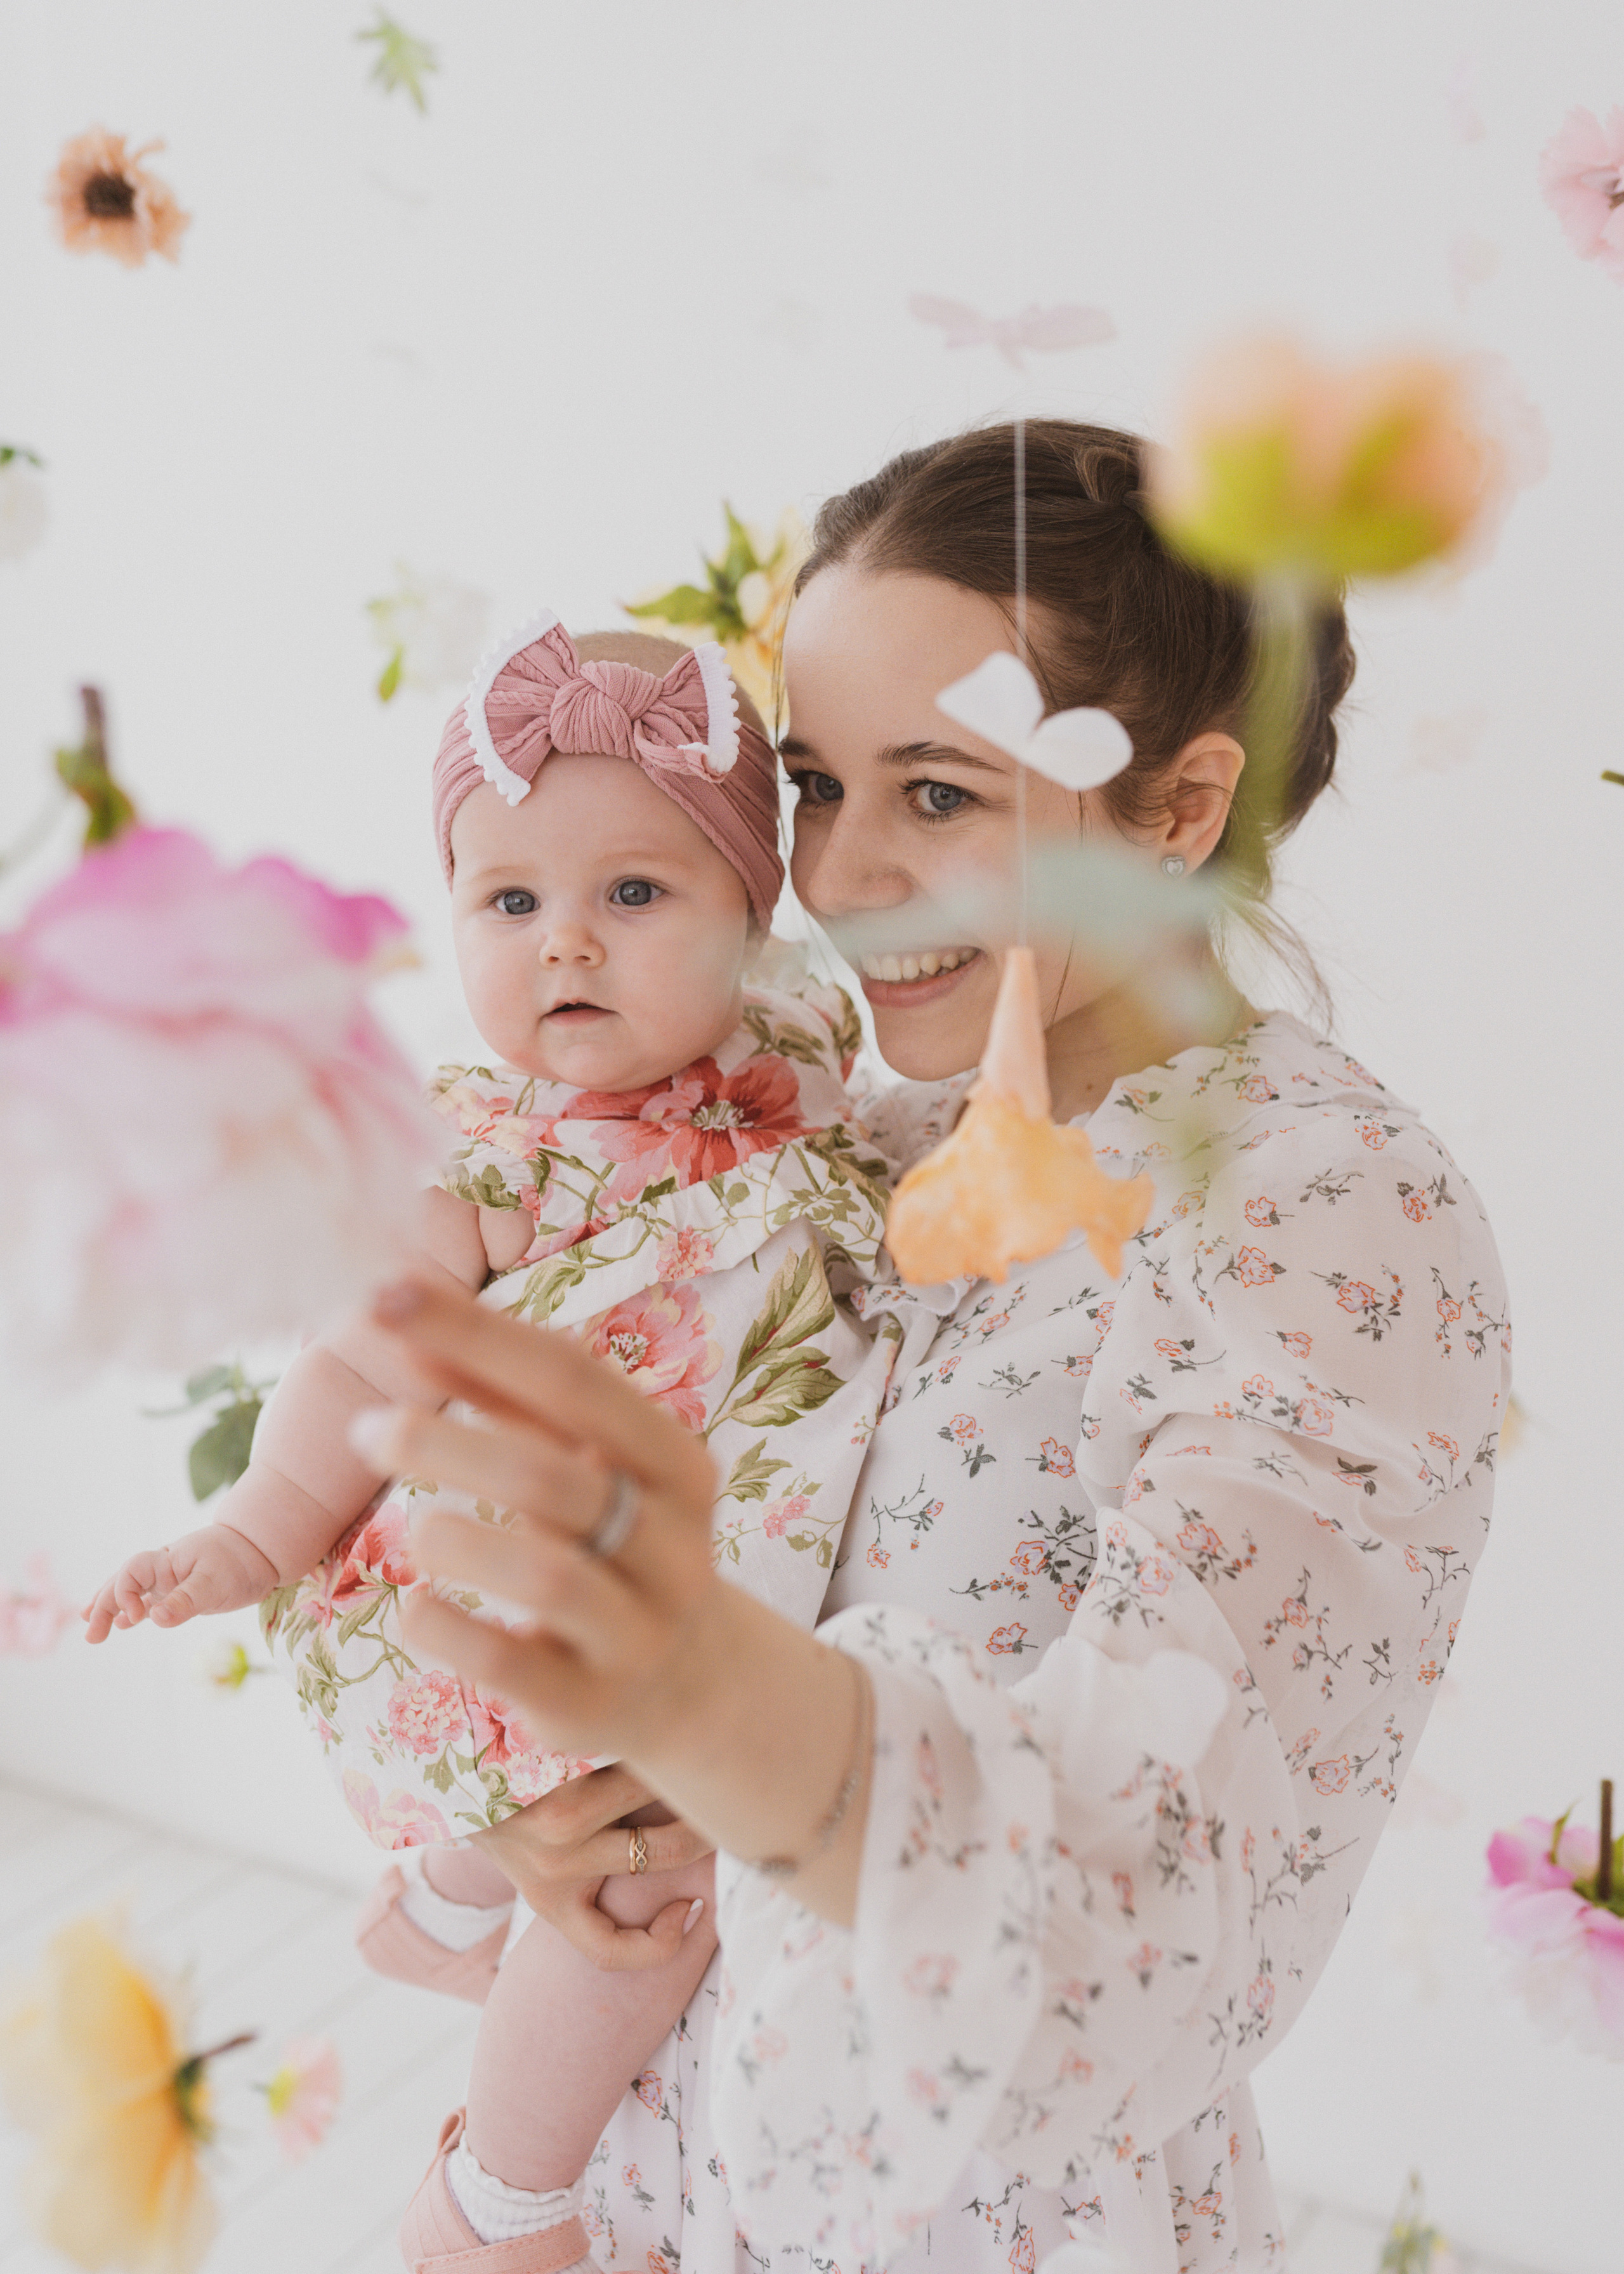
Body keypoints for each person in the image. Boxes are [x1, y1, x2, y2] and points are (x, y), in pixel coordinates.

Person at [347, 421, 1511, 2274]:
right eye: (813, 785)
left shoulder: (1317, 1218)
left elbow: (1146, 1919)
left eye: (942, 794)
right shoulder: (834, 1141)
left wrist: (697, 1690)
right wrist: (540, 1812)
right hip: (641, 2201)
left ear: (1182, 811)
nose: (840, 877)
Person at [82, 619, 907, 2274]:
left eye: (635, 894)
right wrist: (255, 1530)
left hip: (688, 1574)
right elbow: (350, 1365)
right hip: (528, 1585)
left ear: (755, 907)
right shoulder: (483, 1154)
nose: (566, 946)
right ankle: (500, 2205)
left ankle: (451, 1900)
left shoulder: (807, 1065)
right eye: (511, 902)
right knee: (648, 1904)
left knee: (662, 1821)